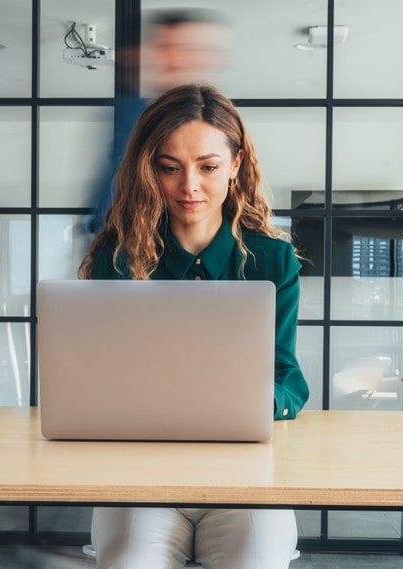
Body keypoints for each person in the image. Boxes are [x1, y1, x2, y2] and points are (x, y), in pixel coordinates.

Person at [79, 84, 308, 569]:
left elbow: (286, 376)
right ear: (148, 167)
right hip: (141, 475)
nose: (190, 187)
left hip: (245, 475)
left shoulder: (272, 259)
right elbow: (98, 381)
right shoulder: (116, 260)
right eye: (170, 167)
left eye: (208, 166)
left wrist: (257, 401)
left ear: (236, 164)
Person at [86, 8, 230, 235]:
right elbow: (108, 203)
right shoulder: (131, 115)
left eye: (192, 51)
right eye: (166, 49)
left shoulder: (223, 126)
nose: (175, 61)